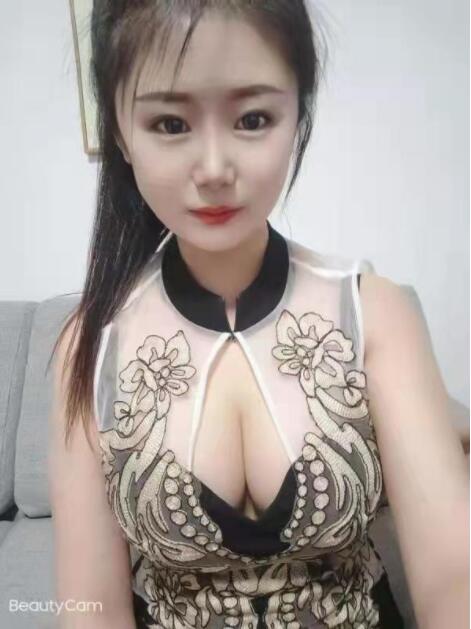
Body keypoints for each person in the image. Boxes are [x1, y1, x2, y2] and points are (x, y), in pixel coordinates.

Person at [48, 1, 469, 628]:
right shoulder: (90, 347)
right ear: (119, 132)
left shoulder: (375, 313)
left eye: (252, 119)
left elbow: (454, 580)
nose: (215, 170)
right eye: (169, 123)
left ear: (298, 114)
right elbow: (90, 610)